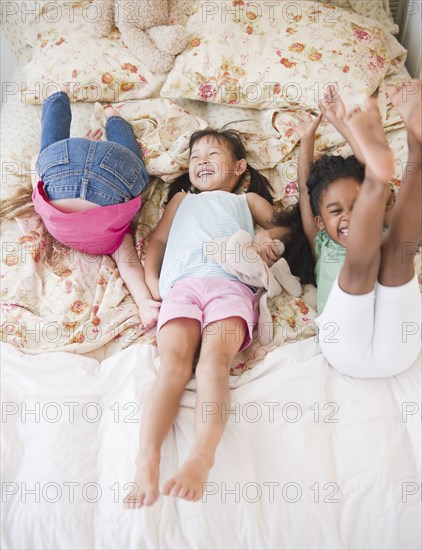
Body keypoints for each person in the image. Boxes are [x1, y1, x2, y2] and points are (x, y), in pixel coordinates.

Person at [124, 128, 294, 508]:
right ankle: (147, 462)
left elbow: (284, 225)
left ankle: (201, 455)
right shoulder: (182, 200)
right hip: (181, 287)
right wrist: (152, 281)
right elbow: (160, 242)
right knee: (173, 365)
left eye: (213, 154)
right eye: (195, 156)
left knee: (213, 363)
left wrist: (268, 240)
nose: (201, 162)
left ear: (239, 167)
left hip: (228, 285)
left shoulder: (244, 200)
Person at [293, 82, 421, 378]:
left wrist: (339, 120)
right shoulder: (321, 240)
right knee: (364, 263)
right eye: (336, 211)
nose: (349, 217)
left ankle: (417, 142)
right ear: (320, 221)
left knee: (399, 255)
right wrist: (306, 139)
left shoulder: (380, 225)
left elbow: (386, 203)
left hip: (399, 343)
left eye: (358, 205)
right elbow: (304, 190)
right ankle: (388, 168)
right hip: (346, 348)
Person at [31, 86, 160, 329]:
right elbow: (38, 180)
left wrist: (144, 303)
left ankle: (114, 118)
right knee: (45, 156)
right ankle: (56, 100)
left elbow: (129, 265)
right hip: (62, 165)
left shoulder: (115, 239)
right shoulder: (113, 241)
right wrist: (78, 149)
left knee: (132, 162)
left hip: (114, 172)